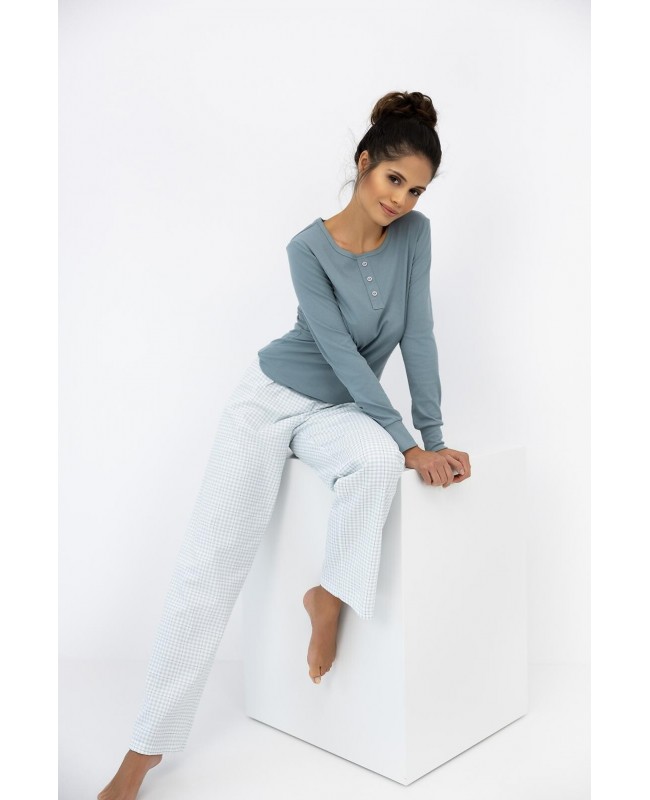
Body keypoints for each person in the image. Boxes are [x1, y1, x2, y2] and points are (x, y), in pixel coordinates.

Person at [97, 89, 471, 800]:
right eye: (393, 179)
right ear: (364, 163)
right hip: (268, 404)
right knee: (210, 565)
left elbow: (418, 335)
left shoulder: (415, 237)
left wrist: (432, 439)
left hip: (339, 412)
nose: (401, 199)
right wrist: (409, 443)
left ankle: (329, 595)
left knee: (374, 463)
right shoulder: (307, 248)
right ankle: (142, 753)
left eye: (416, 190)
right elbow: (343, 355)